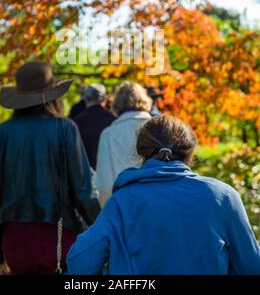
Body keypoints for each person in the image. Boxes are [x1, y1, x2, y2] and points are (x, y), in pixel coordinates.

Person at [67, 115, 260, 275]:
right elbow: (252, 266)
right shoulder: (223, 197)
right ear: (190, 152)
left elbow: (80, 264)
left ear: (141, 152)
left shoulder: (122, 202)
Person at [0, 61, 100, 275]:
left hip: (14, 237)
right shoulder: (65, 128)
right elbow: (82, 190)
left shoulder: (1, 134)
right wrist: (103, 229)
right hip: (57, 234)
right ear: (53, 96)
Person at [95, 82, 152, 206]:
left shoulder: (108, 134)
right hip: (155, 205)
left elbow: (104, 184)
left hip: (122, 206)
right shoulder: (158, 129)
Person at [73, 84, 115, 169]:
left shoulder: (78, 120)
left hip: (85, 170)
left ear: (86, 98)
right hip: (107, 169)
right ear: (103, 99)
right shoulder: (112, 119)